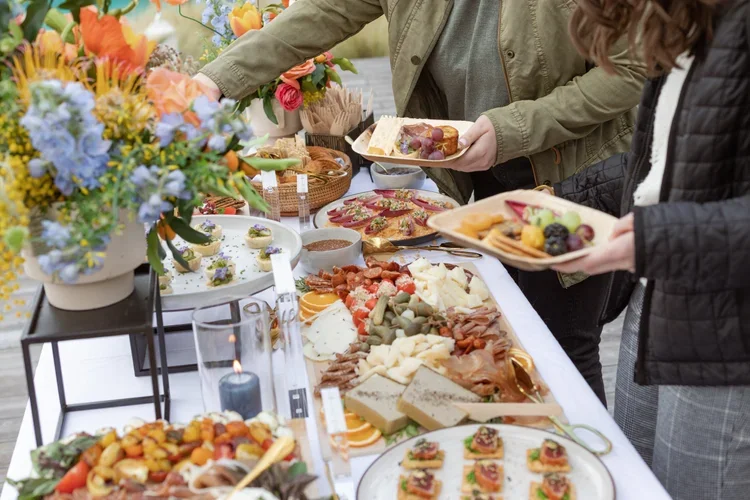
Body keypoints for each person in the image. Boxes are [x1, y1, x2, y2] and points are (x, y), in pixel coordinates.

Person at [194, 0, 647, 404]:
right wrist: (213, 80)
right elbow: (324, 11)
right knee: (499, 331)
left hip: (568, 177)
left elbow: (631, 70)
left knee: (563, 341)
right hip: (475, 172)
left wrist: (514, 130)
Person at [552, 1, 750, 497]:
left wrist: (655, 239)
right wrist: (567, 202)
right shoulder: (688, 18)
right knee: (634, 476)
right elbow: (681, 164)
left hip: (730, 342)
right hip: (659, 297)